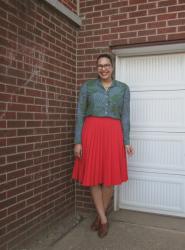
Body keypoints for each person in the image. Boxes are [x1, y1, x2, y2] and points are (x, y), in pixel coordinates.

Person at [72, 54, 134, 238]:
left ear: (112, 67)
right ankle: (103, 219)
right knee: (92, 177)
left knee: (109, 179)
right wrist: (78, 141)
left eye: (107, 65)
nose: (103, 69)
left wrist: (126, 141)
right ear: (96, 68)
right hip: (91, 133)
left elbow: (125, 116)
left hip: (114, 134)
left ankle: (100, 216)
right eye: (100, 66)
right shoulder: (88, 86)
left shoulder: (123, 88)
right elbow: (80, 113)